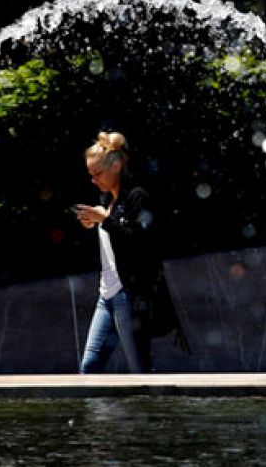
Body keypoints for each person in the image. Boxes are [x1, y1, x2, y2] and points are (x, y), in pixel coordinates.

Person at [71, 131, 187, 373]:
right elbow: (114, 233)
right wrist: (95, 221)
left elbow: (142, 242)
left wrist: (105, 220)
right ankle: (100, 413)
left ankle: (154, 410)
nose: (93, 180)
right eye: (90, 175)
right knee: (89, 366)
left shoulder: (137, 196)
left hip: (129, 295)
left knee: (140, 369)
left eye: (98, 173)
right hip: (107, 294)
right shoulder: (107, 199)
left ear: (116, 165)